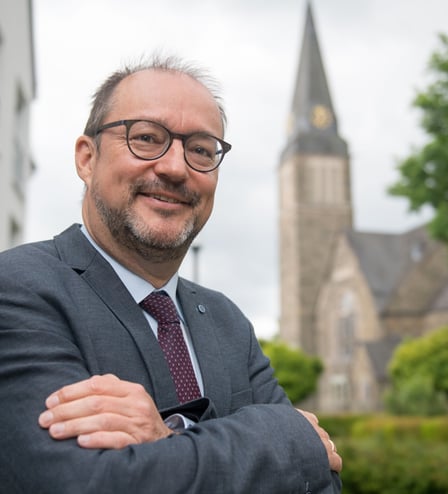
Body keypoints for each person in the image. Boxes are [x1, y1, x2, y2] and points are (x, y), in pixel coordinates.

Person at [0, 55, 342, 493]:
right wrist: (285, 437)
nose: (176, 168)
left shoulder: (228, 322)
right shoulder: (19, 289)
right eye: (146, 138)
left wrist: (167, 443)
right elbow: (85, 483)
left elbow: (323, 485)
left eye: (200, 149)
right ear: (87, 159)